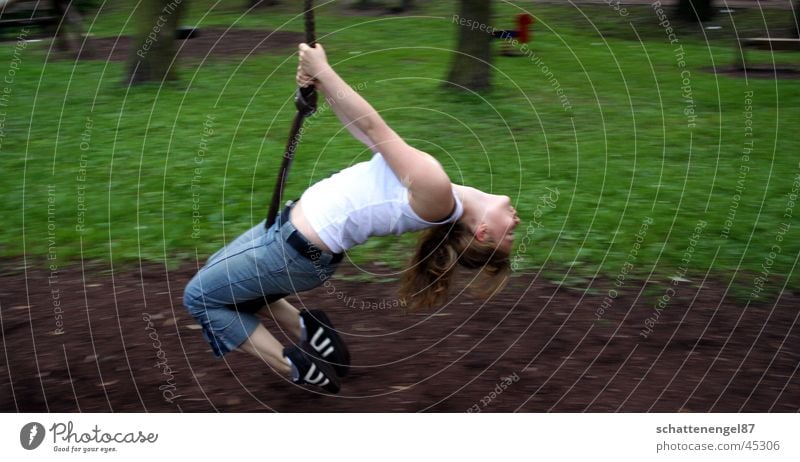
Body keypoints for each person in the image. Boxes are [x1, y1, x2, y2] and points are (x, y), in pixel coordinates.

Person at [183, 43, 521, 394]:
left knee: (201, 297)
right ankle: (310, 330)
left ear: (482, 233)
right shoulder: (440, 193)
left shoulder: (436, 192)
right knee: (221, 278)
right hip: (297, 248)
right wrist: (321, 82)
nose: (517, 224)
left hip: (291, 251)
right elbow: (364, 131)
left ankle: (296, 366)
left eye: (508, 236)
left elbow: (376, 128)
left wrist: (323, 69)